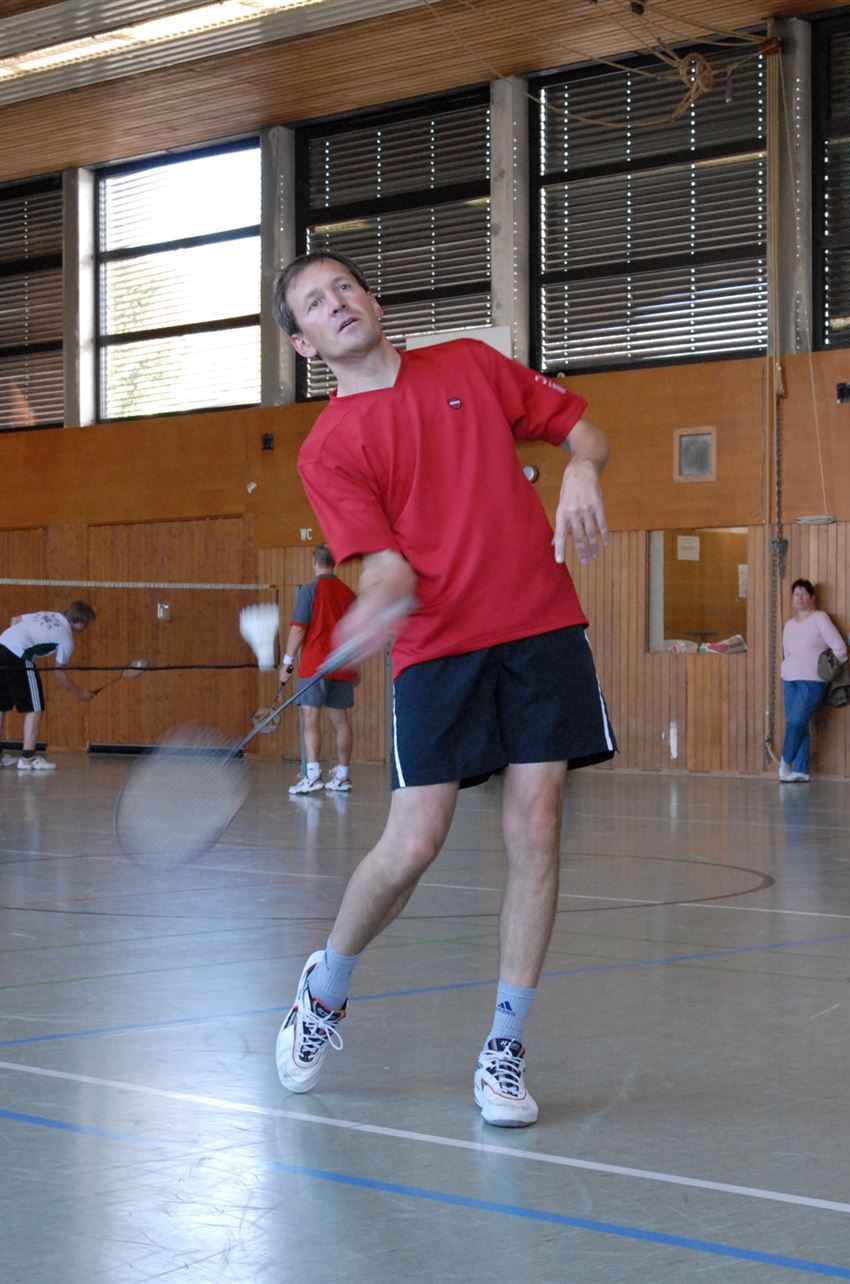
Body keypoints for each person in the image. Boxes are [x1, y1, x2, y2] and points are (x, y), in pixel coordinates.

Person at [270, 250, 614, 1127]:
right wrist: (381, 595)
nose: (336, 303)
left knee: (536, 826)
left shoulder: (468, 365)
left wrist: (582, 467)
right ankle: (326, 985)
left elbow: (584, 431)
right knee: (414, 842)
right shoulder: (328, 448)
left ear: (372, 299)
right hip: (438, 649)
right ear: (306, 345)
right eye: (314, 304)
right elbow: (383, 562)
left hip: (539, 624)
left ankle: (505, 1048)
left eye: (344, 286)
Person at [278, 544, 358, 794]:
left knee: (311, 718)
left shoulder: (310, 590)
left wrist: (287, 662)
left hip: (314, 666)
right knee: (341, 721)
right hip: (342, 664)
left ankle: (313, 776)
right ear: (334, 562)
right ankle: (342, 776)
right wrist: (354, 665)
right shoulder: (348, 593)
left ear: (315, 561)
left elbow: (298, 629)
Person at [0, 601, 96, 770]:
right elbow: (59, 672)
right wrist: (80, 693)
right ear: (80, 622)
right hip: (19, 654)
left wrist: (17, 640)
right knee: (34, 708)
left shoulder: (47, 614)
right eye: (86, 625)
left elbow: (15, 620)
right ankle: (28, 759)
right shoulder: (66, 638)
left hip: (0, 646)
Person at [777, 578, 849, 783]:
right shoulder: (789, 625)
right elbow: (787, 652)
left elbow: (840, 650)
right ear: (792, 598)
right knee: (798, 723)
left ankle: (785, 762)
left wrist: (826, 672)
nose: (799, 597)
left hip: (812, 681)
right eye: (796, 594)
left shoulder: (820, 618)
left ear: (812, 598)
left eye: (804, 594)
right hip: (789, 679)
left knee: (796, 721)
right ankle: (801, 770)